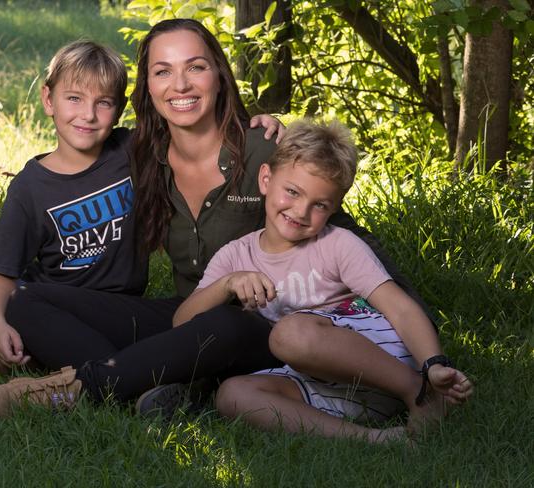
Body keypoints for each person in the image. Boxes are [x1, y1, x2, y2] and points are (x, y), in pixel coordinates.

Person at [0, 19, 432, 420]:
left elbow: (336, 226)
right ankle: (150, 379)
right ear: (147, 89)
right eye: (163, 71)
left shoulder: (263, 151)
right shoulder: (141, 155)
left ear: (218, 75)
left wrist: (423, 352)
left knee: (231, 324)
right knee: (25, 300)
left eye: (195, 66)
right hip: (191, 312)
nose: (181, 84)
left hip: (267, 323)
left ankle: (76, 387)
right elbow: (75, 148)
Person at [0, 39, 280, 374]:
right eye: (73, 99)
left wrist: (256, 123)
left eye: (103, 103)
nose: (88, 115)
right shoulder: (30, 186)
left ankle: (97, 366)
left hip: (111, 303)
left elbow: (193, 126)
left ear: (119, 109)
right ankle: (63, 348)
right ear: (48, 100)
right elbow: (2, 271)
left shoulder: (132, 150)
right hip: (45, 293)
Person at [173, 119, 473, 443]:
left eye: (320, 205)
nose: (301, 211)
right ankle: (375, 440)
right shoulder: (236, 256)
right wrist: (226, 284)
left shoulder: (337, 244)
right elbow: (182, 324)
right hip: (329, 382)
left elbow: (401, 309)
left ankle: (421, 393)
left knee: (289, 334)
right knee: (233, 394)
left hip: (379, 359)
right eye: (292, 191)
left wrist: (433, 365)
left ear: (335, 208)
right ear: (265, 179)